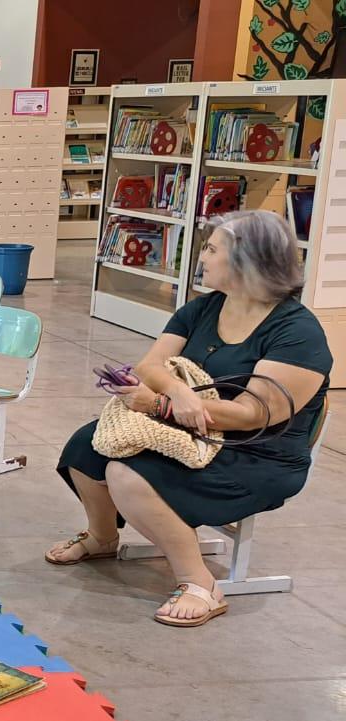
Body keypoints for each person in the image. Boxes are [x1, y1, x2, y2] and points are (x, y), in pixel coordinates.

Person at [46, 210, 330, 628]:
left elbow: (256, 414)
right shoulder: (204, 308)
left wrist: (160, 405)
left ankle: (199, 582)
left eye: (212, 249)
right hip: (189, 430)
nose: (202, 258)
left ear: (246, 260)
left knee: (127, 473)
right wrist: (176, 392)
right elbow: (151, 366)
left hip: (255, 454)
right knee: (86, 446)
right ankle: (103, 537)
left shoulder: (298, 332)